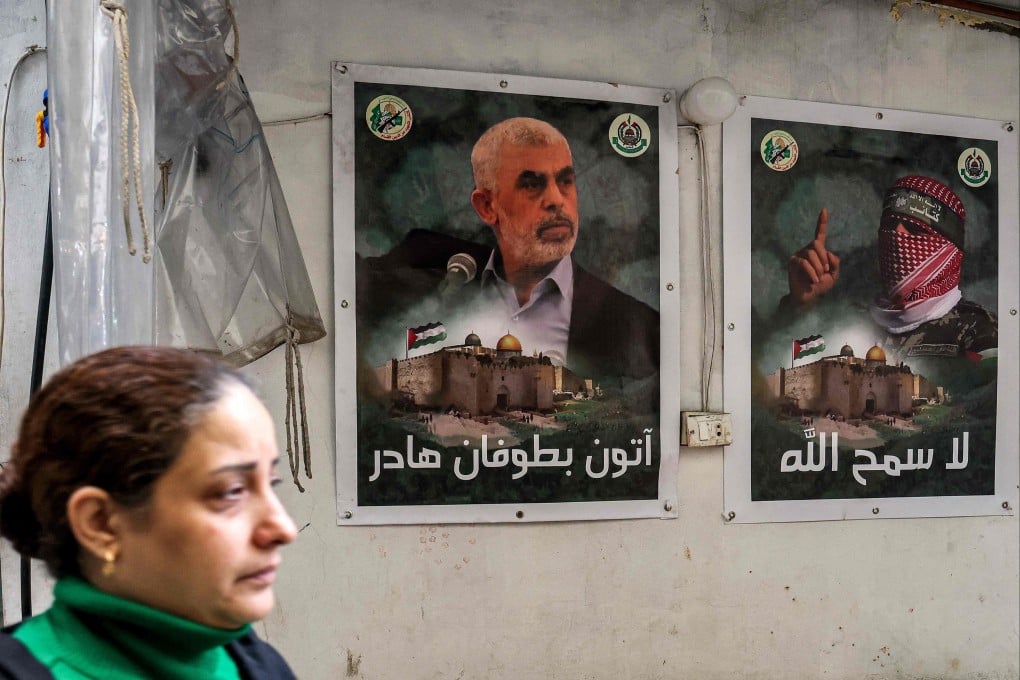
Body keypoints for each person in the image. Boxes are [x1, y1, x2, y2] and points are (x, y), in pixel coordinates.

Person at [0, 346, 298, 679]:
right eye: (231, 492)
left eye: (272, 482)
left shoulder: (262, 667)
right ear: (100, 524)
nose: (284, 529)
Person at [357, 117, 659, 382]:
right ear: (488, 206)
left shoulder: (634, 323)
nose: (557, 200)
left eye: (565, 181)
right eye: (531, 185)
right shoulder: (439, 270)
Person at [780, 174, 997, 363]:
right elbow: (779, 359)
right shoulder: (852, 320)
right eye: (889, 226)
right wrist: (800, 304)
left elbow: (989, 400)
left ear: (949, 248)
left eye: (914, 228)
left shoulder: (978, 329)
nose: (897, 236)